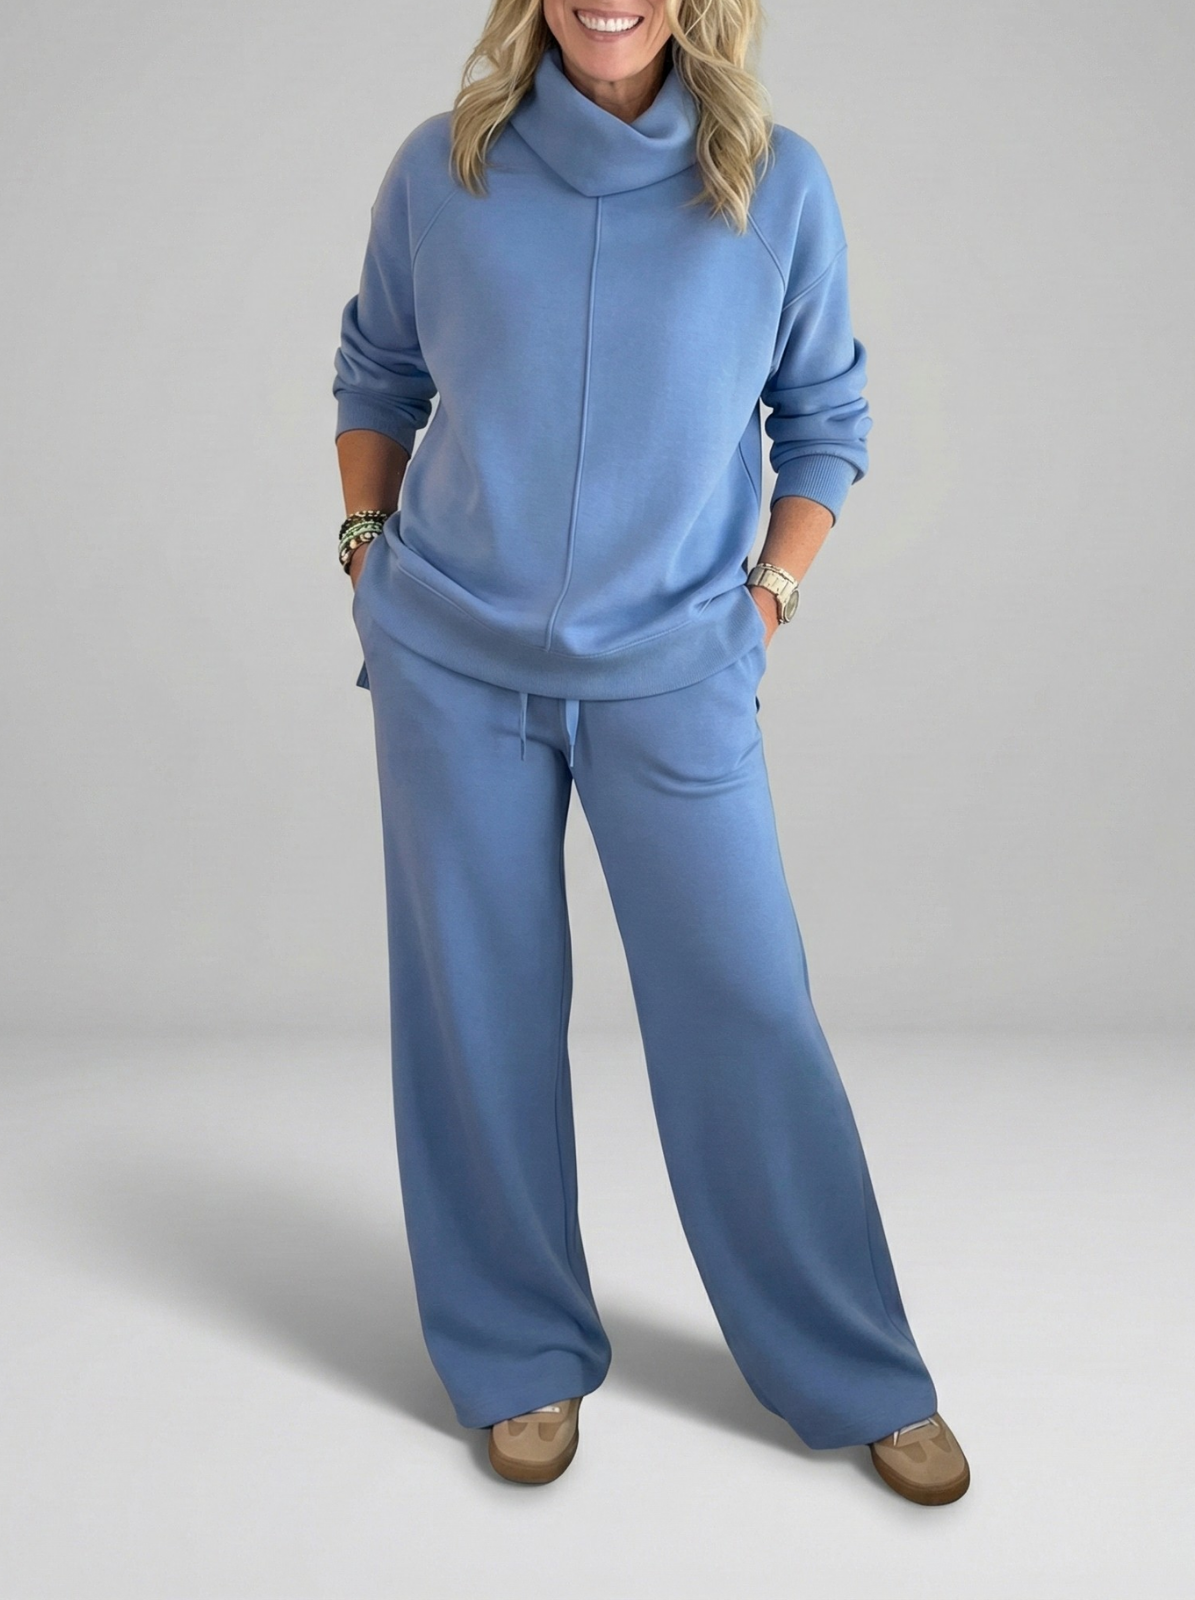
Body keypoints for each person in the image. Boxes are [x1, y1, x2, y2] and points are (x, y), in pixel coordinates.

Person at [332, 0, 970, 1505]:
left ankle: (852, 1367)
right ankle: (515, 1354)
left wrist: (768, 597)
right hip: (452, 665)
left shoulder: (775, 182)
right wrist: (365, 550)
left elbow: (824, 416)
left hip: (677, 669)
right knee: (476, 1013)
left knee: (744, 1007)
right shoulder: (442, 168)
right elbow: (376, 371)